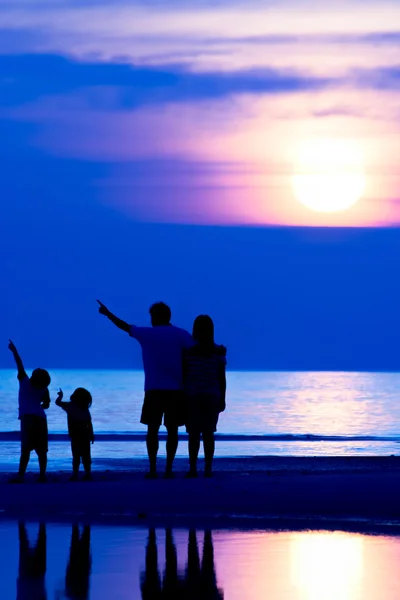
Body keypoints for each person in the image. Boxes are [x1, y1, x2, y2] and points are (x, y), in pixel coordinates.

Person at [97, 300, 193, 479]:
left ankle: (153, 468)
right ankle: (168, 469)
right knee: (172, 430)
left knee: (153, 430)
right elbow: (197, 349)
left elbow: (124, 326)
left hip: (154, 389)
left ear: (156, 316)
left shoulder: (147, 334)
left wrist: (108, 314)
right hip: (176, 390)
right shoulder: (181, 334)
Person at [182, 316, 226, 478]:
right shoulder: (218, 352)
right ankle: (207, 468)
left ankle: (193, 468)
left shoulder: (188, 352)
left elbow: (184, 375)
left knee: (193, 434)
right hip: (211, 395)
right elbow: (222, 378)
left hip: (192, 395)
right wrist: (222, 397)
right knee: (208, 433)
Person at [8, 339, 51, 483]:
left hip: (28, 418)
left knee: (26, 449)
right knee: (41, 450)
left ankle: (21, 476)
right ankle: (42, 476)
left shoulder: (25, 382)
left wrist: (14, 351)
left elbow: (19, 365)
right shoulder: (44, 389)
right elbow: (46, 405)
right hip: (40, 418)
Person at [55, 388, 94, 481]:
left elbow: (58, 403)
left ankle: (76, 474)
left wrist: (60, 396)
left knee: (76, 455)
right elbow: (89, 423)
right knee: (86, 456)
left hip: (76, 434)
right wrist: (91, 434)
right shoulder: (83, 408)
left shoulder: (70, 406)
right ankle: (87, 473)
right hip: (84, 434)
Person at [17, 522, 47, 600]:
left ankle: (41, 522)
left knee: (40, 545)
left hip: (34, 579)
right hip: (28, 579)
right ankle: (22, 522)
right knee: (24, 545)